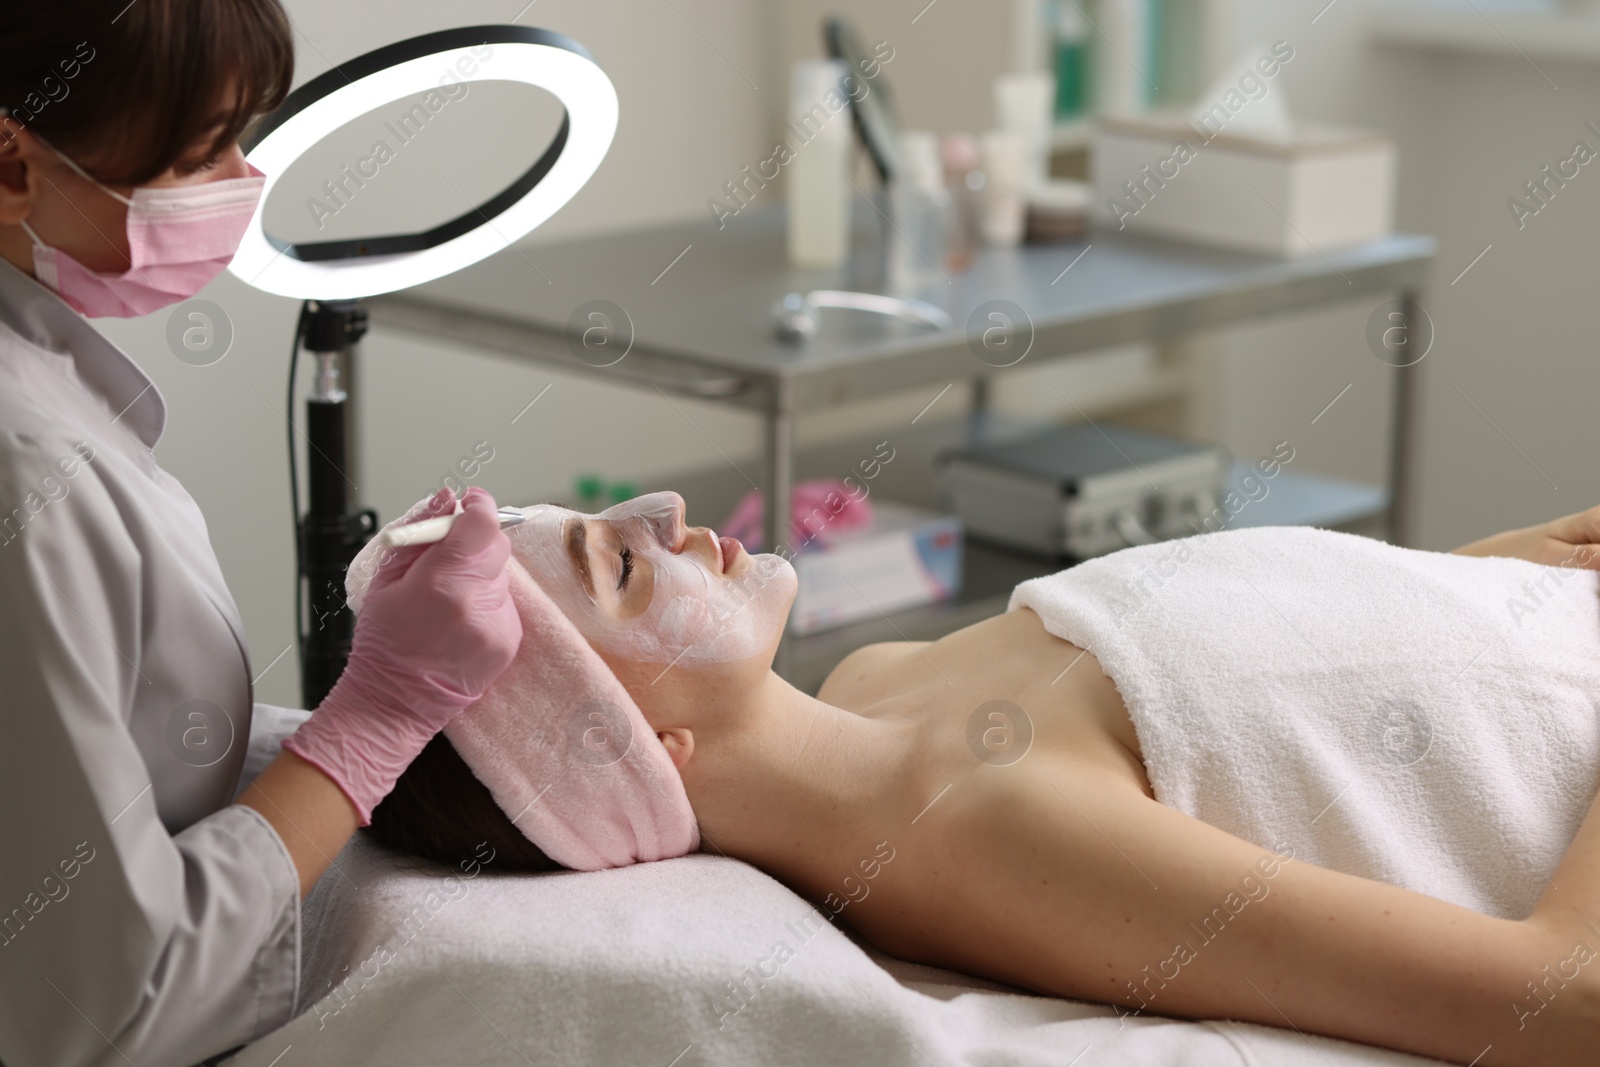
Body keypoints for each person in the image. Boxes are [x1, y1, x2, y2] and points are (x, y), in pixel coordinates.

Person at [369, 490, 1600, 1067]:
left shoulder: (877, 677)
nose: (666, 506)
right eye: (622, 567)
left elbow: (1272, 669)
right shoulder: (976, 827)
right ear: (640, 747)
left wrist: (1472, 576)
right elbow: (1565, 1000)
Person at [0, 5, 523, 1067]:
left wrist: (350, 727)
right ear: (12, 160)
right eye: (203, 153)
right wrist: (375, 719)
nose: (246, 181)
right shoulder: (26, 468)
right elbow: (99, 1006)